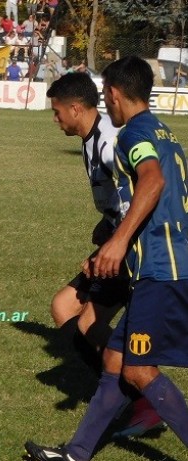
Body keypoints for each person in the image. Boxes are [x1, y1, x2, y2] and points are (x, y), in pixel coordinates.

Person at [25, 56, 188, 461]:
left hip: (160, 267)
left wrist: (114, 244)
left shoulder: (131, 134)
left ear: (113, 94)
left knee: (138, 369)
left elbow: (153, 181)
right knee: (117, 358)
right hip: (162, 261)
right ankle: (76, 454)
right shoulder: (165, 133)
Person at [45, 71, 164, 442]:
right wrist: (105, 223)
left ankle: (139, 397)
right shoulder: (90, 139)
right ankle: (130, 393)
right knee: (66, 308)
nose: (55, 118)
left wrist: (113, 240)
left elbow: (146, 187)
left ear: (76, 108)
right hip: (117, 239)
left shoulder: (111, 142)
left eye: (57, 111)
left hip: (131, 248)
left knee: (80, 318)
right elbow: (119, 198)